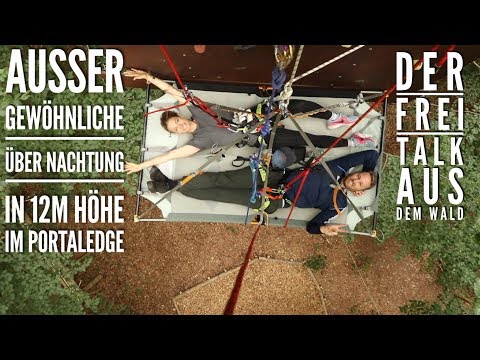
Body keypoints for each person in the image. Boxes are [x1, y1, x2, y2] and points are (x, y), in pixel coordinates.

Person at [123, 69, 377, 175]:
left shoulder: (197, 110)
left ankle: (336, 117)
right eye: (175, 129)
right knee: (308, 141)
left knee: (295, 105)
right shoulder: (198, 142)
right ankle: (352, 141)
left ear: (181, 116)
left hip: (257, 114)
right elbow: (169, 156)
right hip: (259, 137)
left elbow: (177, 93)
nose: (179, 126)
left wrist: (150, 77)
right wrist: (141, 165)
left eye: (176, 121)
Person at [148, 149, 379, 236]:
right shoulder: (339, 167)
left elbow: (311, 227)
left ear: (359, 192)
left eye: (359, 184)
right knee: (222, 179)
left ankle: (169, 187)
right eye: (359, 176)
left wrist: (323, 229)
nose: (356, 179)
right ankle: (171, 183)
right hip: (275, 177)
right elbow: (372, 155)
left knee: (220, 194)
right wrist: (369, 172)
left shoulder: (337, 205)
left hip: (276, 200)